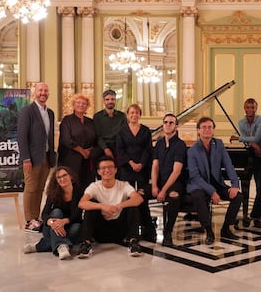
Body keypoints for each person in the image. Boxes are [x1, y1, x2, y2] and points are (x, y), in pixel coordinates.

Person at [186, 117, 243, 245]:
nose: (207, 130)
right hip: (199, 185)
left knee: (238, 196)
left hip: (216, 183)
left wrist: (235, 184)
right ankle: (209, 231)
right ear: (198, 131)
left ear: (213, 130)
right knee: (198, 196)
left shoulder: (219, 144)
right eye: (204, 127)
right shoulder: (192, 151)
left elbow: (229, 165)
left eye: (210, 127)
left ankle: (226, 229)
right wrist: (212, 192)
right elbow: (195, 176)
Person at [77, 156, 144, 258]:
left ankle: (133, 242)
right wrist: (103, 207)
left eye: (110, 167)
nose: (107, 170)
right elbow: (81, 203)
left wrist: (118, 206)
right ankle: (86, 243)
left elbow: (139, 199)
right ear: (99, 172)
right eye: (103, 168)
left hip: (120, 229)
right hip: (101, 230)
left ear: (116, 170)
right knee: (91, 204)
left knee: (132, 204)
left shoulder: (123, 185)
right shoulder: (94, 186)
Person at [17, 82, 56, 232]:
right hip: (31, 158)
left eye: (46, 90)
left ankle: (36, 217)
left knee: (40, 188)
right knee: (31, 188)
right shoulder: (27, 111)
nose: (43, 93)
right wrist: (25, 158)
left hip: (46, 157)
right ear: (35, 92)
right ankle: (28, 220)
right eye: (40, 90)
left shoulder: (50, 113)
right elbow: (22, 136)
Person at [23, 166, 83, 260]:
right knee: (56, 212)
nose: (62, 179)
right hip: (52, 228)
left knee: (78, 228)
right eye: (59, 177)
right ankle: (62, 246)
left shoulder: (79, 192)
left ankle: (39, 246)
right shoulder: (54, 192)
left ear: (71, 176)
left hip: (69, 226)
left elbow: (78, 214)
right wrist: (51, 222)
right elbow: (45, 213)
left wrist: (64, 221)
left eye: (64, 175)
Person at [230, 98, 261, 228]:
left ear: (256, 108)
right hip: (253, 154)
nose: (250, 110)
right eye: (247, 107)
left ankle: (257, 215)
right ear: (244, 109)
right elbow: (251, 141)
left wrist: (239, 138)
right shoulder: (241, 122)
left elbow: (258, 137)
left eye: (252, 107)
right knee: (260, 186)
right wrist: (253, 144)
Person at [117, 104, 155, 242]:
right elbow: (120, 150)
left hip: (142, 169)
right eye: (131, 112)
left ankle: (147, 229)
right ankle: (129, 230)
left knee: (142, 197)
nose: (134, 115)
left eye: (137, 112)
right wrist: (131, 163)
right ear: (127, 115)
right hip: (127, 169)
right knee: (127, 198)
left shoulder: (145, 131)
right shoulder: (121, 131)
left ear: (140, 114)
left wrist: (141, 164)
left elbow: (148, 149)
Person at [151, 113, 187, 246]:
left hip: (174, 182)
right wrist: (154, 186)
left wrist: (163, 190)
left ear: (176, 126)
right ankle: (148, 227)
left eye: (171, 123)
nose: (167, 124)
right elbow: (155, 166)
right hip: (159, 181)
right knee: (139, 194)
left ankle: (167, 232)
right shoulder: (159, 143)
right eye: (165, 122)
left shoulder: (180, 145)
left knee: (173, 196)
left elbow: (177, 171)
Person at [58, 93, 98, 192]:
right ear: (73, 104)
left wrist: (90, 151)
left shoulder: (91, 121)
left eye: (84, 103)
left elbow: (96, 138)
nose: (81, 105)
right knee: (73, 186)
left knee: (88, 187)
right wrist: (82, 151)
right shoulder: (67, 120)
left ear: (87, 106)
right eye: (78, 103)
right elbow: (66, 140)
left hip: (88, 160)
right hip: (71, 159)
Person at [93, 89, 127, 160]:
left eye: (112, 99)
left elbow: (124, 133)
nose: (110, 101)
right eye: (107, 99)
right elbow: (98, 136)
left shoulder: (122, 116)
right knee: (94, 155)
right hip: (103, 145)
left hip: (118, 144)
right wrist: (105, 149)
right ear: (104, 101)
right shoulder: (97, 116)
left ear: (115, 100)